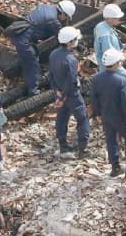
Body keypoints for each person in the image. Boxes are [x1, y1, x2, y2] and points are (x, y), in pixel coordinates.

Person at [91, 48, 126, 178]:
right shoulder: (120, 80)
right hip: (121, 118)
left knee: (111, 140)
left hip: (106, 116)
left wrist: (97, 115)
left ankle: (115, 168)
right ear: (116, 63)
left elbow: (94, 99)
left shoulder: (96, 79)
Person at [9, 0, 75, 96]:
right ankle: (33, 91)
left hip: (20, 31)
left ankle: (26, 78)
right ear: (63, 14)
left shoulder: (46, 6)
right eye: (66, 17)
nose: (65, 19)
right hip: (23, 39)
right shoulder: (54, 21)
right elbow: (62, 38)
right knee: (32, 64)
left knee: (30, 58)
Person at [48, 26, 90, 158]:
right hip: (72, 95)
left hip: (60, 93)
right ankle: (82, 149)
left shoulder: (53, 54)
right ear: (69, 42)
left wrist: (58, 93)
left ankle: (63, 146)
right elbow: (72, 80)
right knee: (82, 119)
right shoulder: (71, 59)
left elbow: (51, 75)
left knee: (61, 119)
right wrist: (65, 94)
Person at [94, 4, 126, 107]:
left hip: (107, 63)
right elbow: (108, 53)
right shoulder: (105, 34)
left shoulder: (101, 26)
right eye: (116, 18)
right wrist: (119, 60)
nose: (119, 19)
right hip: (112, 65)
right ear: (109, 19)